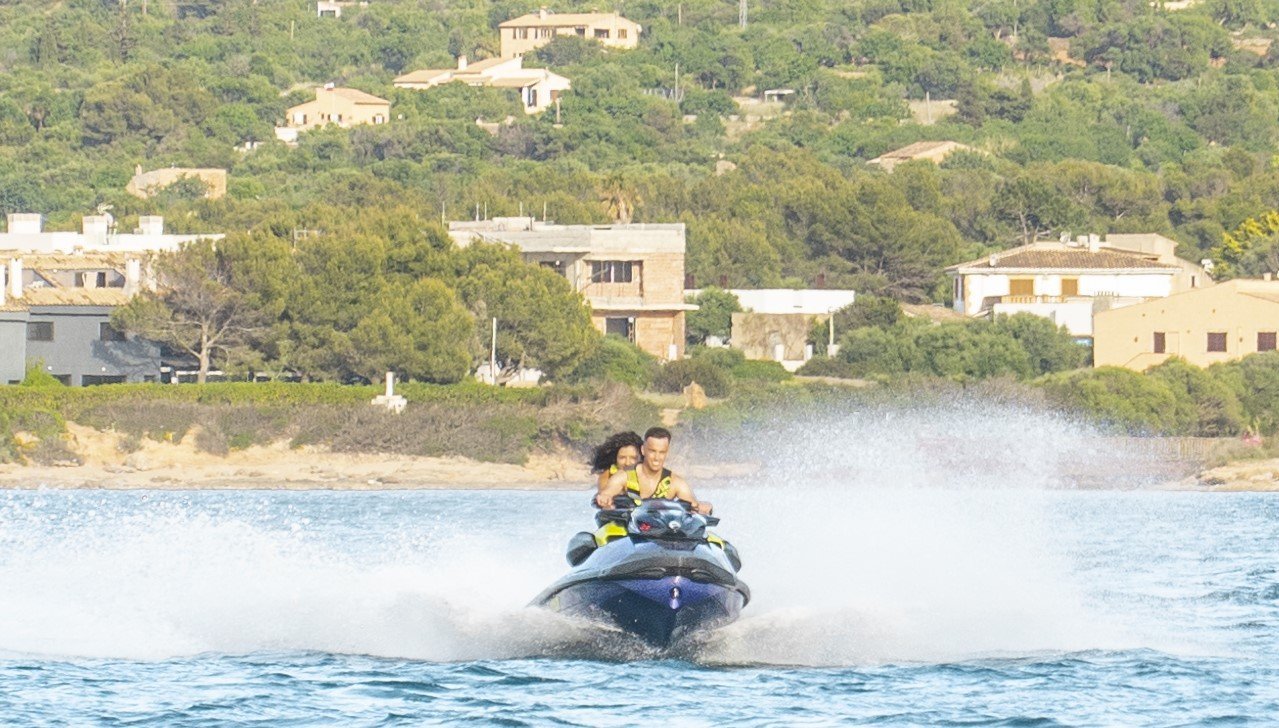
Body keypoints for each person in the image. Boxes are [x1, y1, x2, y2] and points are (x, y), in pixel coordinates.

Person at [596, 427, 712, 514]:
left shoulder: (676, 482)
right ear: (643, 450)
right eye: (652, 451)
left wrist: (702, 507)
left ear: (667, 452)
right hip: (627, 532)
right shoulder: (624, 477)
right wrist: (605, 497)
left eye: (662, 452)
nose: (657, 458)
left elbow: (693, 504)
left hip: (660, 534)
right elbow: (608, 491)